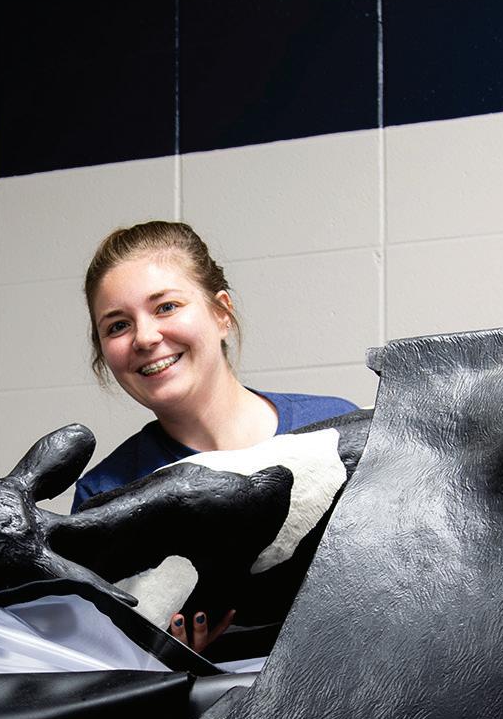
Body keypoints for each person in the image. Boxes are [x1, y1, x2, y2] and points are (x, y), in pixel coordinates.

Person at [73, 221, 355, 650]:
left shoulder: (337, 429)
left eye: (166, 307)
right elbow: (104, 654)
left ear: (221, 313)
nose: (145, 337)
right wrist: (160, 659)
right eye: (117, 326)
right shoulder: (106, 495)